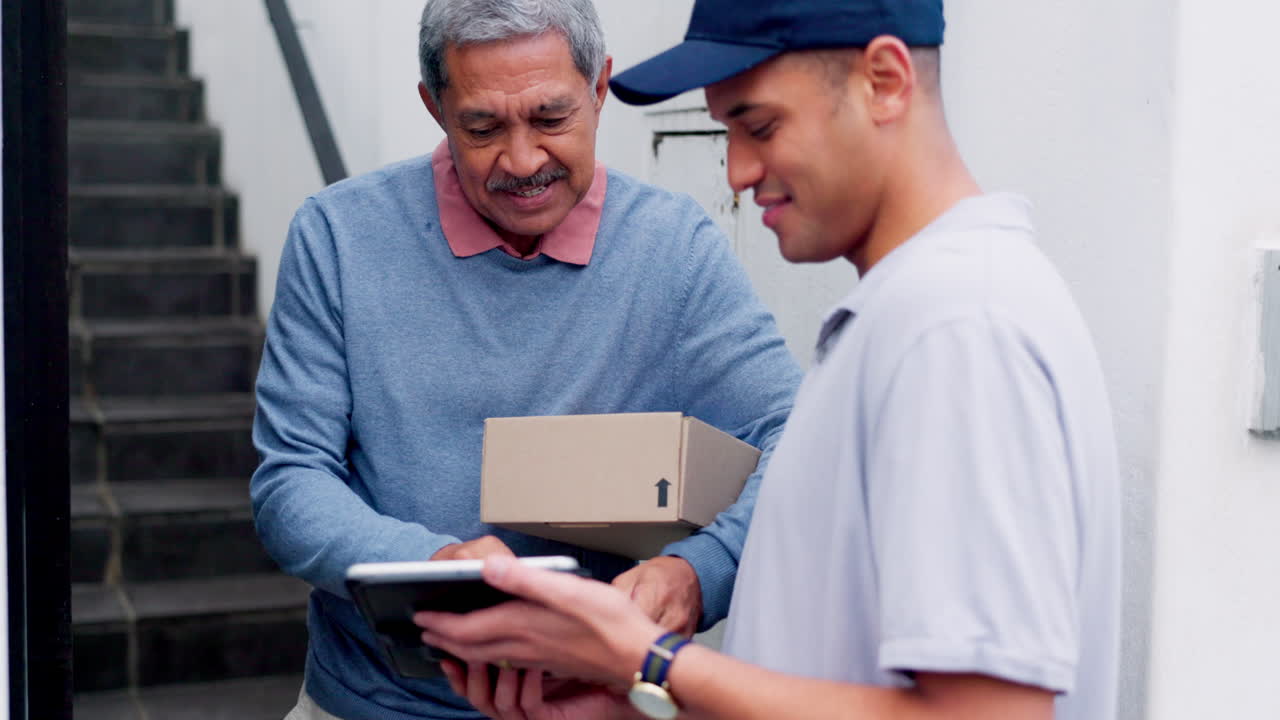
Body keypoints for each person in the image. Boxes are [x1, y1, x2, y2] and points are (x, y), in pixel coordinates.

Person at [412, 1, 1122, 719]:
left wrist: (649, 659)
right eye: (726, 132)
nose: (738, 171)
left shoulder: (959, 329)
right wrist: (646, 702)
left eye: (759, 126)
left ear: (885, 81)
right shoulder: (922, 314)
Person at [250, 0, 803, 718]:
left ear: (599, 89)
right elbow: (291, 481)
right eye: (482, 128)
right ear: (435, 107)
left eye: (551, 119)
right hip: (369, 704)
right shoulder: (338, 235)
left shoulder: (674, 250)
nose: (522, 160)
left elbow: (797, 438)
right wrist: (434, 568)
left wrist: (699, 572)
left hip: (594, 706)